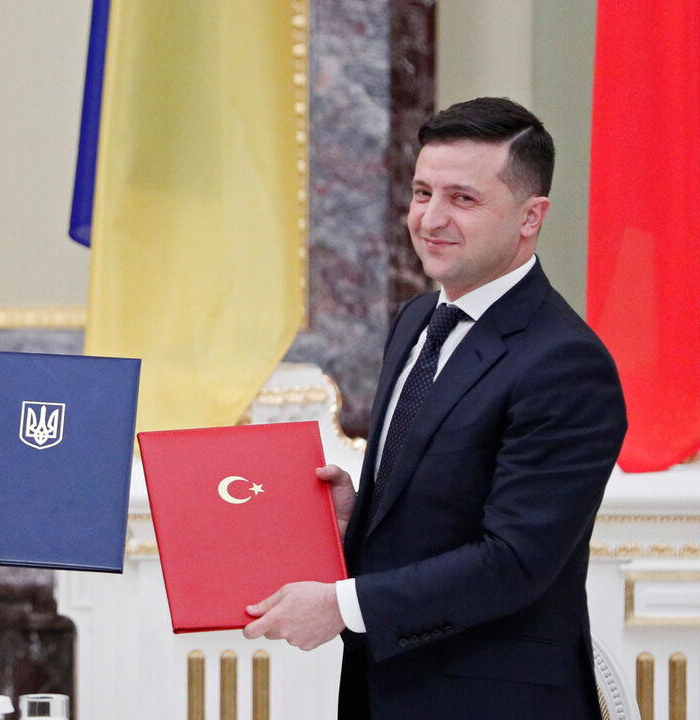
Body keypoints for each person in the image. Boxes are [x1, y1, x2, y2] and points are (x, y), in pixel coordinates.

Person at [242, 97, 627, 718]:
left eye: (463, 199)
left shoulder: (566, 364)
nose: (430, 218)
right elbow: (439, 500)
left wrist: (341, 606)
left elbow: (514, 562)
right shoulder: (419, 319)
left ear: (532, 216)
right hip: (383, 692)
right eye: (423, 193)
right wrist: (356, 517)